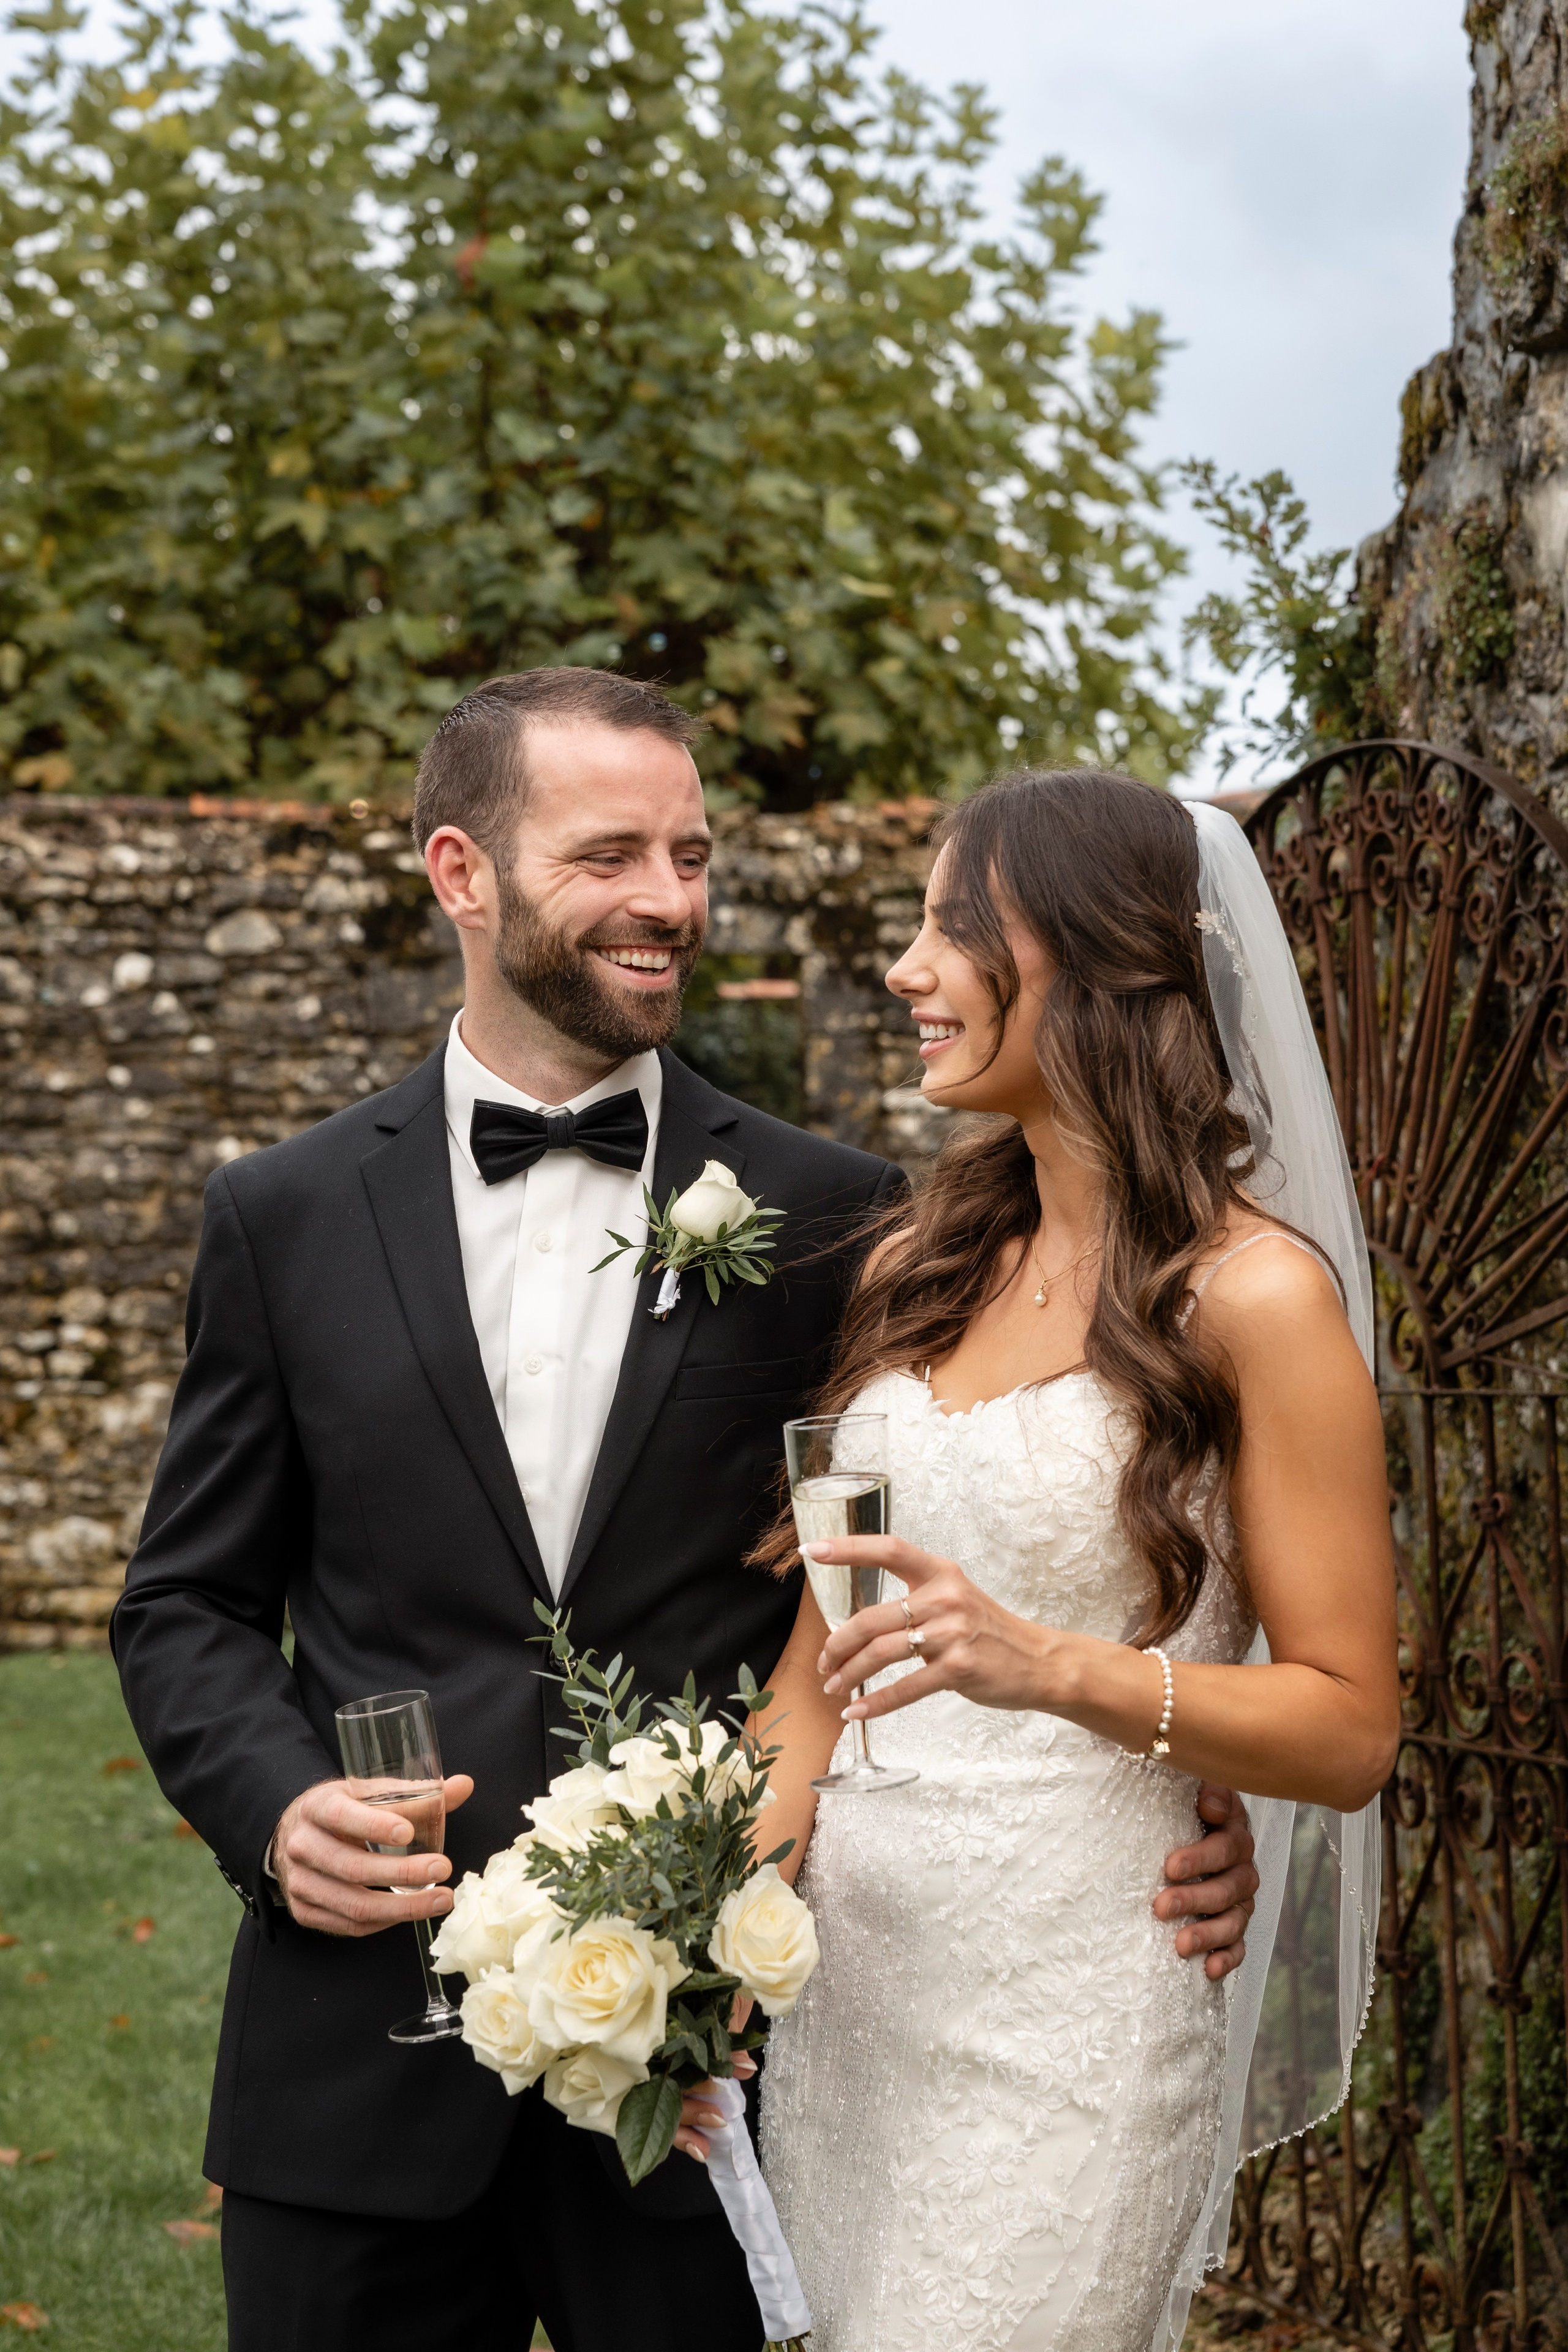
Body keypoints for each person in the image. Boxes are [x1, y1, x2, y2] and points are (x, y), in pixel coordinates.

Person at [111, 682, 1261, 2352]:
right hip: (352, 2060)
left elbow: (1009, 1509)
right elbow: (184, 1605)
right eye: (612, 854)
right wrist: (277, 1810)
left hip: (715, 2084)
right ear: (463, 872)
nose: (671, 898)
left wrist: (1176, 1787)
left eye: (692, 852)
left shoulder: (849, 1220)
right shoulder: (281, 1217)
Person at [754, 769, 1400, 2352]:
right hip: (854, 2013)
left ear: (1103, 963)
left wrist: (1054, 1667)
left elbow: (1350, 1727)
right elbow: (820, 1659)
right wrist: (722, 1896)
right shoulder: (919, 1264)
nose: (907, 970)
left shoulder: (1259, 1302)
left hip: (1077, 2020)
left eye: (953, 928)